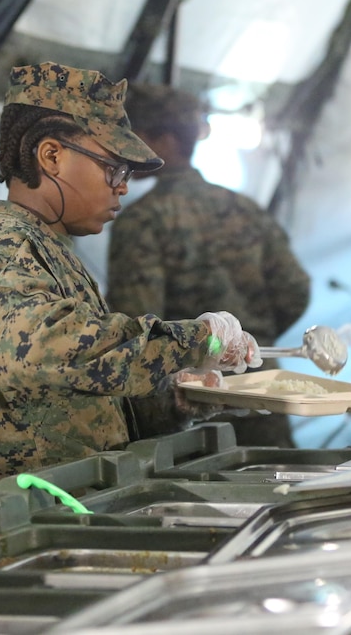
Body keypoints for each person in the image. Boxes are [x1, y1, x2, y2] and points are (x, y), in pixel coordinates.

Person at [0, 62, 260, 502]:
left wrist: (172, 403)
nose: (123, 188)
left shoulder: (50, 249)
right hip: (16, 525)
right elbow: (42, 353)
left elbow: (77, 396)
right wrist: (193, 341)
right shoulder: (6, 247)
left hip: (60, 509)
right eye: (113, 168)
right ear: (51, 156)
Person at [107, 83, 310, 447]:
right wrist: (251, 344)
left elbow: (136, 325)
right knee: (277, 491)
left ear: (165, 140)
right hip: (260, 392)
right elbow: (295, 288)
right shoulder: (243, 208)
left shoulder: (143, 220)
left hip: (189, 404)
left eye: (138, 135)